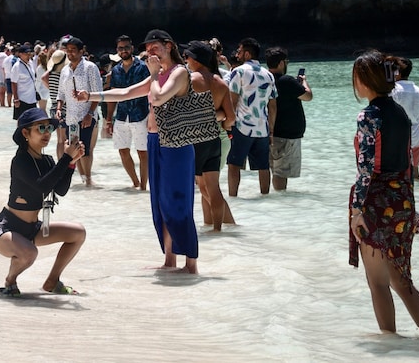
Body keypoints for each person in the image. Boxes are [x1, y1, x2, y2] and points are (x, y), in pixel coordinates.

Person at [75, 29, 198, 273]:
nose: (150, 52)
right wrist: (92, 96)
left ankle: (191, 263)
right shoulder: (159, 74)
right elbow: (126, 93)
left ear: (169, 46)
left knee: (178, 201)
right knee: (160, 202)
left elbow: (160, 98)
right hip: (154, 140)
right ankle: (169, 259)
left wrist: (153, 75)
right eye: (148, 48)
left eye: (155, 47)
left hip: (176, 144)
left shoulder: (180, 73)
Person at [348, 50, 419, 334]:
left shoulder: (369, 115)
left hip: (375, 202)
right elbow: (408, 165)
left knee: (378, 284)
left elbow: (365, 169)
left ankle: (391, 348)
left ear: (364, 80)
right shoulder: (400, 113)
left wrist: (357, 211)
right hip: (402, 202)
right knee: (403, 281)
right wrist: (411, 208)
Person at [0, 108, 86, 296]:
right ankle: (10, 281)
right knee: (30, 253)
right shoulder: (20, 161)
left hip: (33, 228)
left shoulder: (48, 161)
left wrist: (72, 163)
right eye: (41, 128)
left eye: (49, 128)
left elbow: (60, 190)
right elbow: (42, 186)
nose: (47, 133)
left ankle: (52, 281)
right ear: (26, 133)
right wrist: (65, 158)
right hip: (6, 229)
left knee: (78, 233)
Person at [183, 41, 236, 231]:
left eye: (187, 56)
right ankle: (217, 230)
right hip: (214, 138)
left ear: (195, 59)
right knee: (212, 188)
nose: (185, 59)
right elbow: (231, 118)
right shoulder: (221, 82)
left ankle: (194, 228)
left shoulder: (190, 80)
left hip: (195, 140)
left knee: (196, 188)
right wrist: (217, 119)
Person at [226, 38, 278, 196]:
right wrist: (271, 131)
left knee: (234, 164)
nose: (237, 54)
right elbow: (273, 106)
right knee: (263, 166)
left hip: (242, 126)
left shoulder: (238, 72)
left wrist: (228, 124)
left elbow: (232, 101)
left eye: (240, 51)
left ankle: (233, 197)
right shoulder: (268, 75)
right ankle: (265, 196)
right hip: (262, 128)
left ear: (247, 54)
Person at [55, 37, 102, 186]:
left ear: (81, 51)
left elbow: (97, 93)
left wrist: (90, 114)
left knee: (85, 149)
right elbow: (61, 93)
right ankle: (82, 179)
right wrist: (58, 108)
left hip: (86, 114)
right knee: (75, 149)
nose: (70, 53)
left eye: (73, 50)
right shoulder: (64, 70)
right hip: (71, 116)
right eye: (68, 51)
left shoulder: (90, 67)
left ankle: (88, 179)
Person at [106, 35, 150, 190]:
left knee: (143, 153)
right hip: (122, 116)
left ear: (132, 48)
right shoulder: (116, 71)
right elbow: (113, 95)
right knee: (123, 151)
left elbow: (151, 92)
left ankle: (144, 186)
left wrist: (152, 117)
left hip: (141, 115)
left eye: (126, 47)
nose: (123, 50)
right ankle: (135, 182)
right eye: (120, 48)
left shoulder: (143, 67)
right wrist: (108, 119)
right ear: (117, 50)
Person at [265, 46, 312, 191]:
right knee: (281, 173)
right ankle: (281, 201)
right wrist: (303, 82)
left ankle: (274, 201)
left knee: (274, 170)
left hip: (269, 132)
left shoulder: (265, 79)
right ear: (281, 63)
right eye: (286, 62)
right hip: (287, 135)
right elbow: (308, 96)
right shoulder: (287, 80)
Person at [390, 56, 419, 181]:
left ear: (397, 72)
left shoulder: (393, 90)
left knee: (397, 178)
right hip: (415, 137)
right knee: (415, 175)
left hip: (397, 138)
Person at [10, 44, 40, 120]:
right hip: (22, 99)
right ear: (20, 54)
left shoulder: (31, 63)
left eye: (29, 53)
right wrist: (16, 99)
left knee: (32, 122)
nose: (28, 55)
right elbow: (13, 83)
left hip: (32, 99)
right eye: (26, 54)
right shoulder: (17, 66)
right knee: (21, 122)